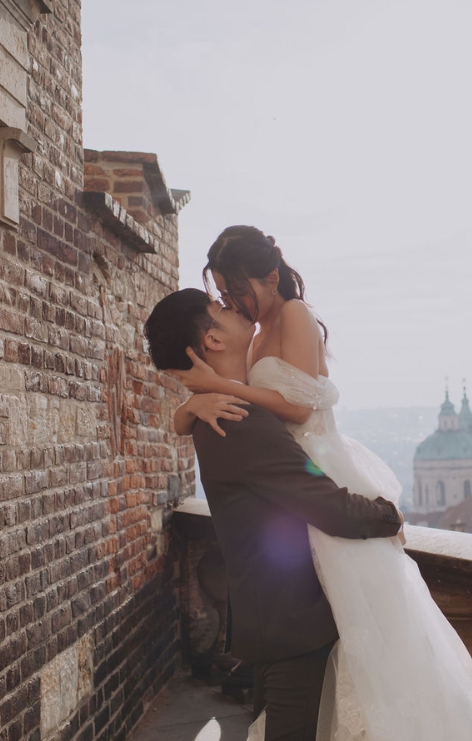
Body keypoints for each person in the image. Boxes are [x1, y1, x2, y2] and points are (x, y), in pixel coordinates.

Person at [171, 226, 472, 741]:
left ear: (272, 277)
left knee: (359, 632)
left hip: (316, 464)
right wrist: (192, 405)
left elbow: (302, 406)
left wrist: (217, 386)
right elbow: (242, 420)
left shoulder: (296, 315)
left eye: (237, 289)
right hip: (293, 475)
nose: (233, 302)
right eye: (224, 294)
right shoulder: (258, 333)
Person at [144, 288, 405, 741]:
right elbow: (327, 505)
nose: (234, 307)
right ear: (213, 341)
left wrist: (187, 407)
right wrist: (389, 516)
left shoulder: (219, 409)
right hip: (292, 625)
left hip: (271, 618)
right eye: (221, 308)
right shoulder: (240, 419)